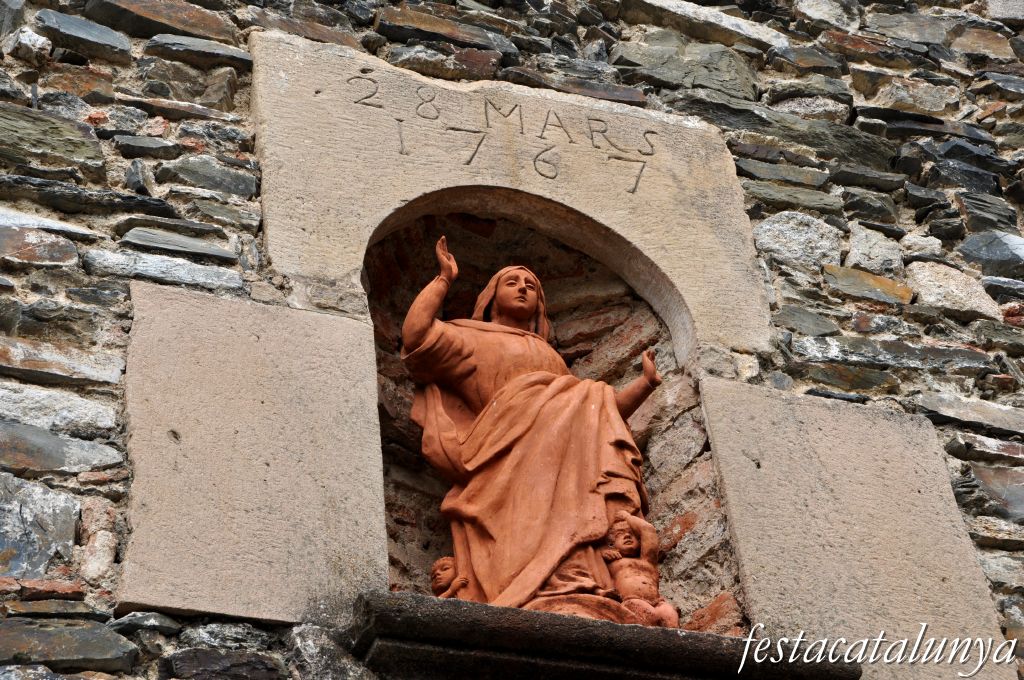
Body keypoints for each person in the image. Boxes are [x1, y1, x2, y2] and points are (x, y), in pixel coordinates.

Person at [402, 236, 663, 612]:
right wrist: (443, 280)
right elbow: (416, 339)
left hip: (565, 469)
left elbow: (598, 414)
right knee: (521, 525)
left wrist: (645, 384)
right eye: (513, 282)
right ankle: (525, 591)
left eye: (532, 287)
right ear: (491, 296)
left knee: (571, 516)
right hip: (501, 457)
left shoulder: (552, 358)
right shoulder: (471, 337)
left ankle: (577, 583)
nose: (523, 289)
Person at [602, 510, 680, 627]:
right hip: (632, 600)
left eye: (631, 533)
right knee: (643, 618)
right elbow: (588, 560)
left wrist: (628, 517)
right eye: (620, 534)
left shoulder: (648, 560)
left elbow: (648, 530)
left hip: (658, 603)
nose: (627, 535)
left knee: (670, 617)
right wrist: (602, 554)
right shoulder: (613, 561)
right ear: (612, 544)